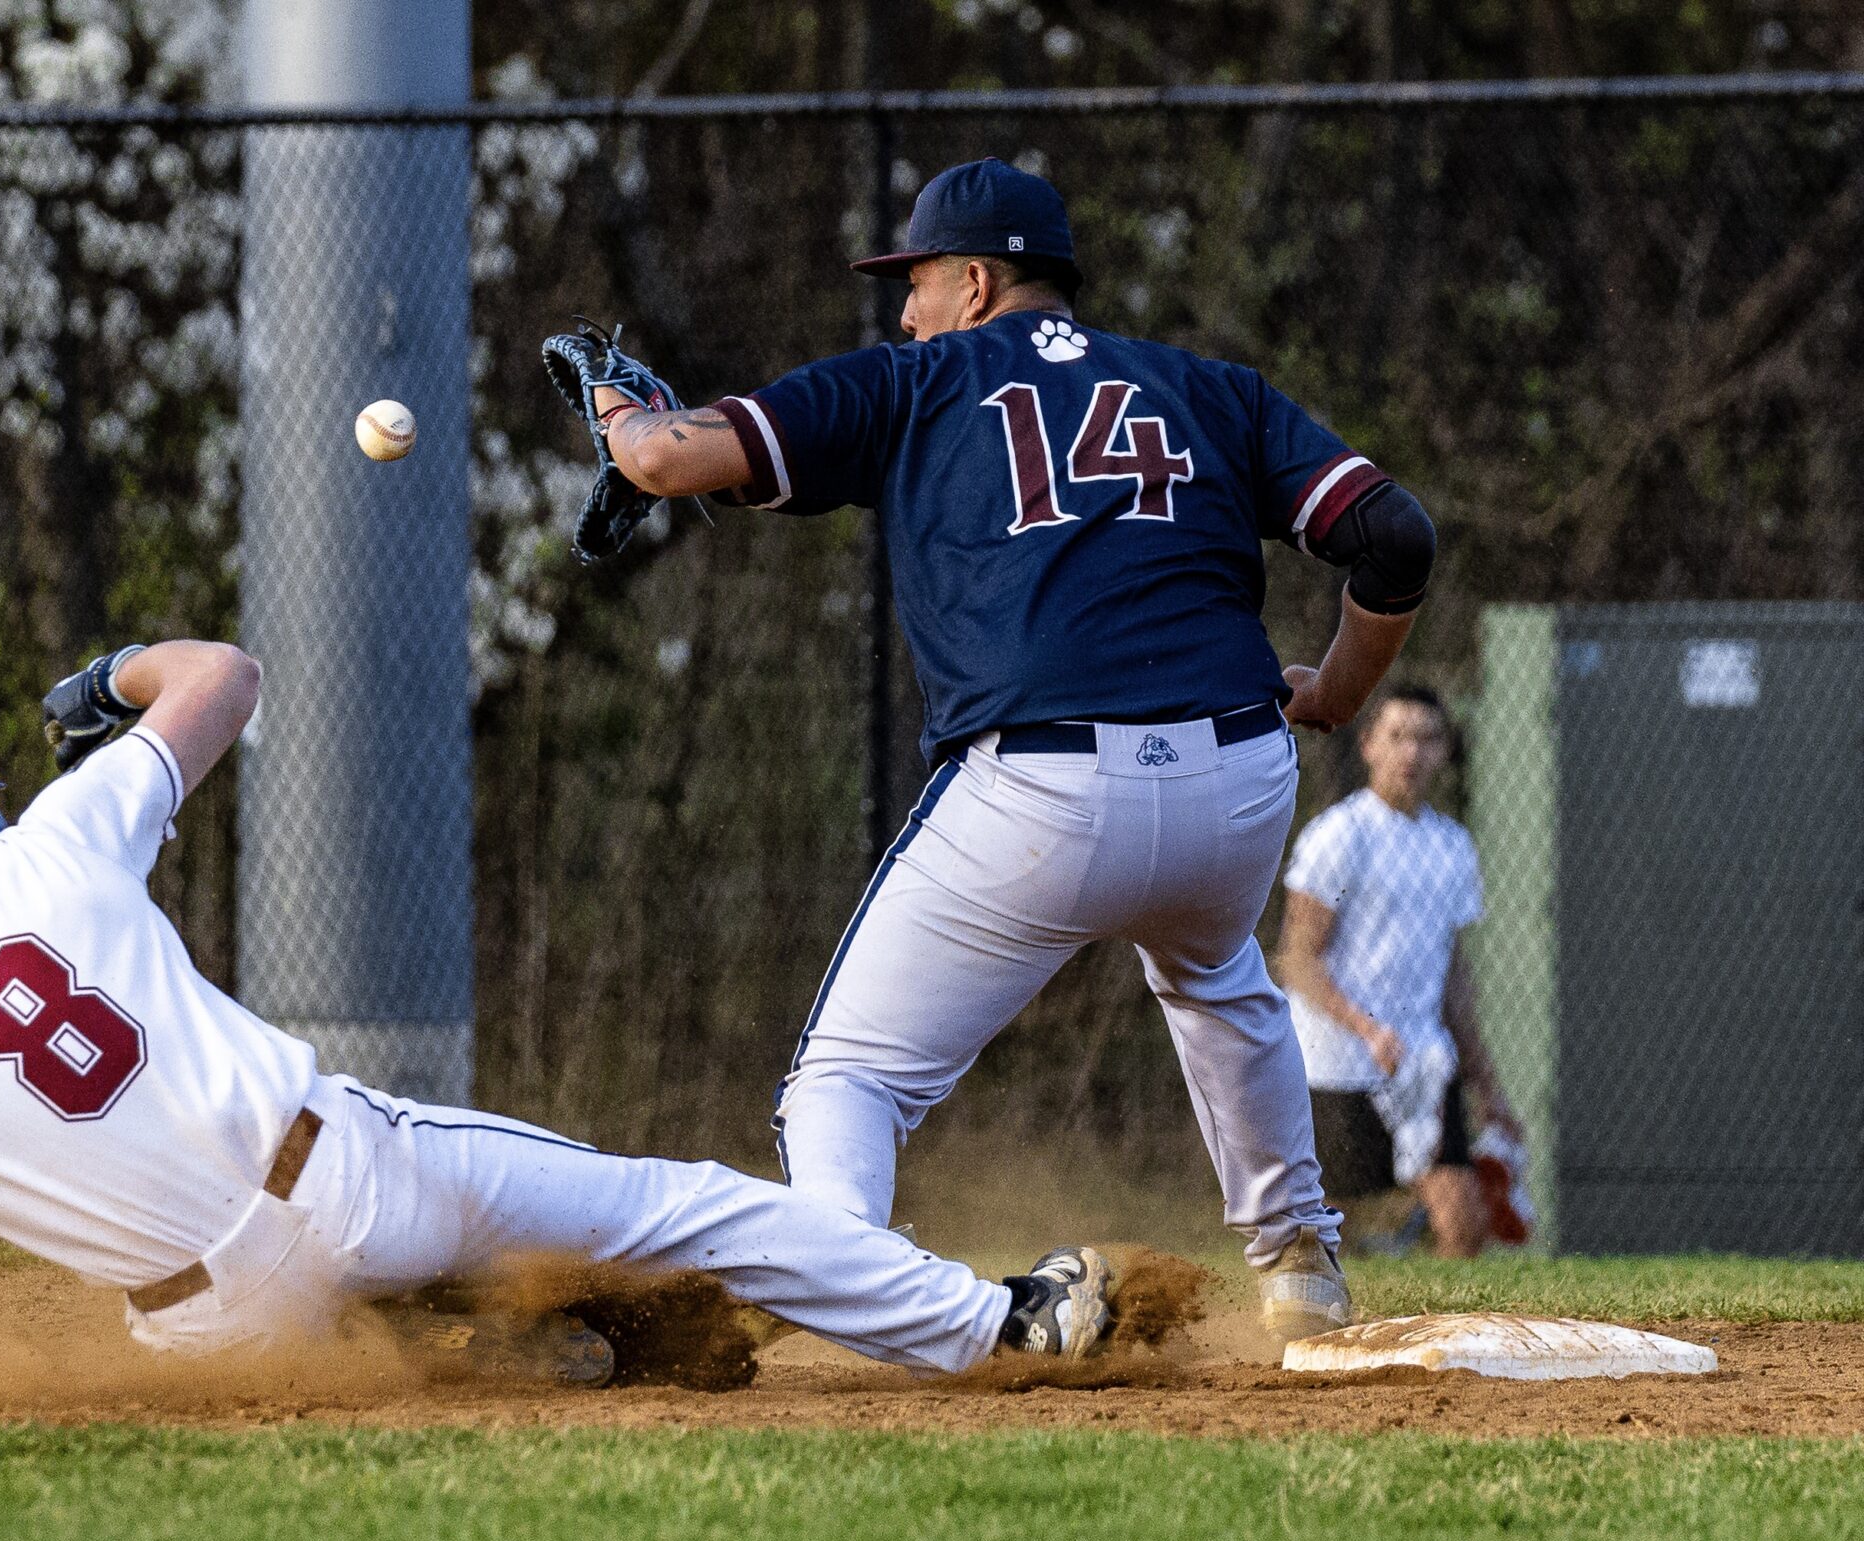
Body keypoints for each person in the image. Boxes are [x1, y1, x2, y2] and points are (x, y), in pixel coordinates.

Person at [0, 639, 1118, 1395]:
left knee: (399, 1333)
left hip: (209, 1330)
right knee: (690, 1202)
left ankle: (520, 1347)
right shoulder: (53, 841)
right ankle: (996, 1325)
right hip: (345, 1179)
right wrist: (103, 690)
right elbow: (224, 672)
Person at [588, 157, 1441, 1341]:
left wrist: (621, 410)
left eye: (920, 283)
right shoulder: (1208, 389)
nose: (905, 310)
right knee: (1216, 978)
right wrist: (1337, 693)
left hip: (1043, 790)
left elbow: (668, 462)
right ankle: (1298, 1262)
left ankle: (852, 1283)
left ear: (977, 282)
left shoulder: (914, 380)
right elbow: (1394, 535)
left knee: (850, 1082)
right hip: (1239, 777)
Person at [1276, 686, 1522, 1258]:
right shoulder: (1340, 835)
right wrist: (1364, 1028)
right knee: (1323, 1231)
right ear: (1368, 746)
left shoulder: (1452, 846)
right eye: (1398, 736)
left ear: (1443, 752)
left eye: (1428, 738)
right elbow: (1297, 957)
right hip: (1337, 1064)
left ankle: (1440, 1344)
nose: (1412, 752)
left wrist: (1490, 1089)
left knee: (1463, 1222)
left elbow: (1454, 980)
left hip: (1420, 1062)